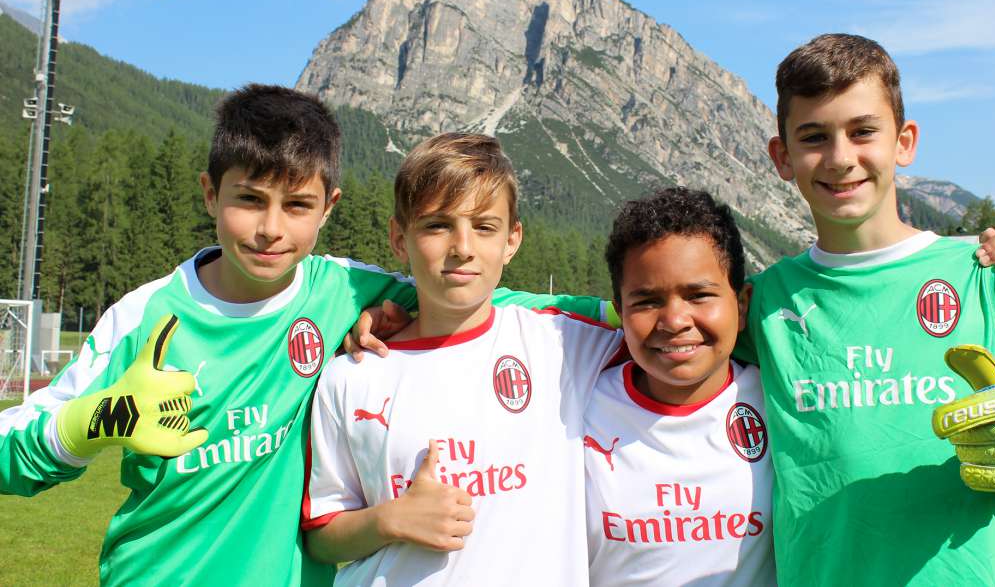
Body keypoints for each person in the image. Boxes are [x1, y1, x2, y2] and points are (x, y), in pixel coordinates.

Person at [0, 87, 610, 586]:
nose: (270, 229)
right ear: (211, 194)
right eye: (248, 200)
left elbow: (473, 292)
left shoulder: (345, 292)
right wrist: (90, 422)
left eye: (296, 205)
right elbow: (13, 452)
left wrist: (639, 310)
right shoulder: (144, 320)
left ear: (328, 207)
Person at [736, 33, 995, 585]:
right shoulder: (764, 303)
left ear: (904, 140)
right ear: (782, 156)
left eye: (863, 131)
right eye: (814, 136)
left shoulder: (988, 276)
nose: (841, 157)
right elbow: (643, 320)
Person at [302, 132, 626, 585]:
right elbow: (322, 533)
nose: (462, 247)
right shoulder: (350, 375)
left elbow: (681, 330)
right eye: (437, 225)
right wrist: (391, 519)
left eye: (484, 227)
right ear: (400, 238)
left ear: (512, 240)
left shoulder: (563, 345)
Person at [585, 187, 775, 586]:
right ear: (620, 311)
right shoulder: (577, 406)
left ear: (741, 304)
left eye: (699, 295)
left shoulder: (779, 404)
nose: (674, 320)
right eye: (647, 301)